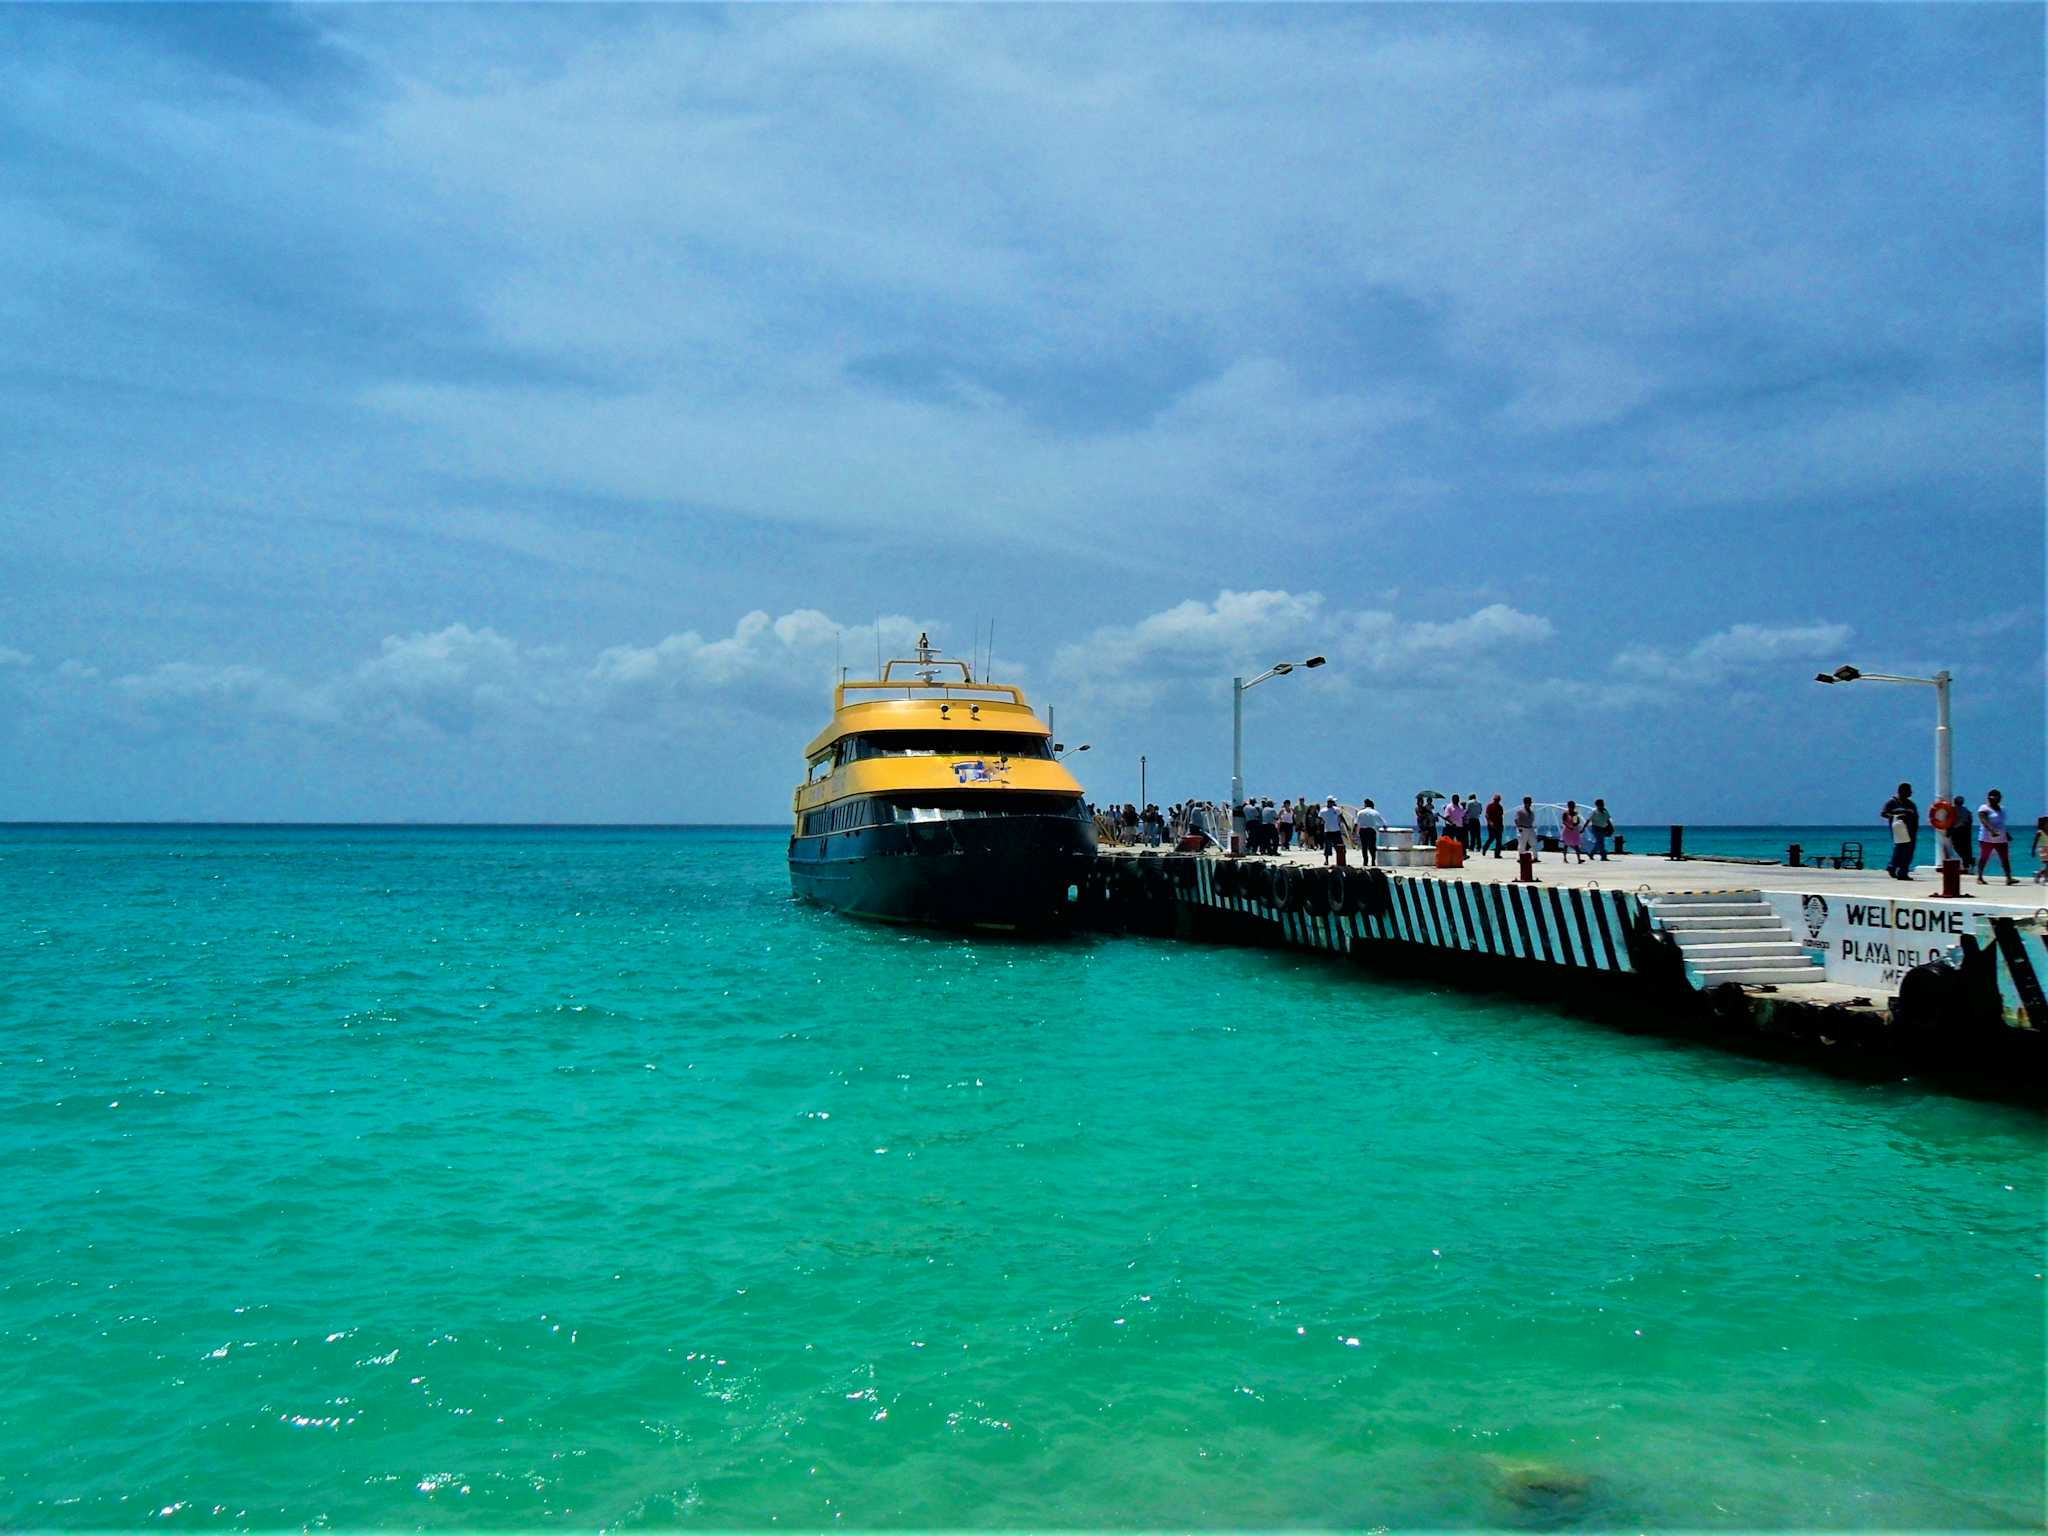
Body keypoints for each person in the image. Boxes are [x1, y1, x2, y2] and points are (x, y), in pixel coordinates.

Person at [1977, 789, 2016, 885]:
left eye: (1997, 797)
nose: (1995, 799)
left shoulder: (2002, 809)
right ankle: (1980, 877)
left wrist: (2006, 834)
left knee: (2004, 858)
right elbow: (1984, 820)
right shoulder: (1984, 808)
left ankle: (2008, 878)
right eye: (1992, 797)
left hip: (2001, 838)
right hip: (1987, 838)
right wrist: (1992, 831)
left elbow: (2001, 823)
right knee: (1984, 857)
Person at [1880, 781, 1918, 880]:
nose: (1911, 793)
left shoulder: (1911, 804)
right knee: (1900, 849)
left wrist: (1915, 829)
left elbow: (1915, 817)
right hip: (1899, 830)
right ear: (1902, 791)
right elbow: (1883, 813)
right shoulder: (1892, 802)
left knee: (1909, 851)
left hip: (1910, 831)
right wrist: (1895, 816)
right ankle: (1893, 867)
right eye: (1909, 791)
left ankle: (1902, 872)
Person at [1354, 797, 1385, 866]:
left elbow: (1356, 823)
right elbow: (1382, 822)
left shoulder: (1360, 812)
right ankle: (1373, 860)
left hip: (1363, 830)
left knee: (1364, 846)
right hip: (1371, 830)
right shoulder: (1375, 812)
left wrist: (1355, 833)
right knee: (1372, 846)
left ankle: (1365, 861)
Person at [1948, 790, 1974, 869]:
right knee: (1966, 847)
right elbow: (1970, 820)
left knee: (1957, 847)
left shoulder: (1952, 809)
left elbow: (1950, 820)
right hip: (1965, 830)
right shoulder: (1966, 810)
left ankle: (1968, 860)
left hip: (1956, 831)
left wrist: (1949, 830)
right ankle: (1968, 861)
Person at [1319, 795, 1345, 866]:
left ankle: (1340, 860)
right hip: (1327, 831)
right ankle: (1326, 860)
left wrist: (1345, 825)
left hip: (1336, 830)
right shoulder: (1323, 811)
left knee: (1339, 845)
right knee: (1327, 846)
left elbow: (1341, 817)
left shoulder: (1337, 809)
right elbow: (1320, 820)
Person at [1513, 795, 1537, 859]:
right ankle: (1521, 858)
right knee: (1522, 844)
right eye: (1529, 802)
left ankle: (1535, 857)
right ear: (1525, 803)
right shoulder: (1520, 811)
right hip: (1522, 828)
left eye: (1530, 802)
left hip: (1530, 828)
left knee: (1533, 843)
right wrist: (1519, 828)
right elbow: (1516, 820)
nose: (1530, 804)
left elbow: (1532, 820)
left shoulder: (1531, 812)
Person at [2032, 816, 2048, 885]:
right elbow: (2035, 842)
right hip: (2042, 849)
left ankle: (2038, 874)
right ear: (2043, 823)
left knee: (2047, 865)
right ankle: (2045, 879)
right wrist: (2033, 850)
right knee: (2047, 864)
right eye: (2046, 822)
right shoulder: (2039, 832)